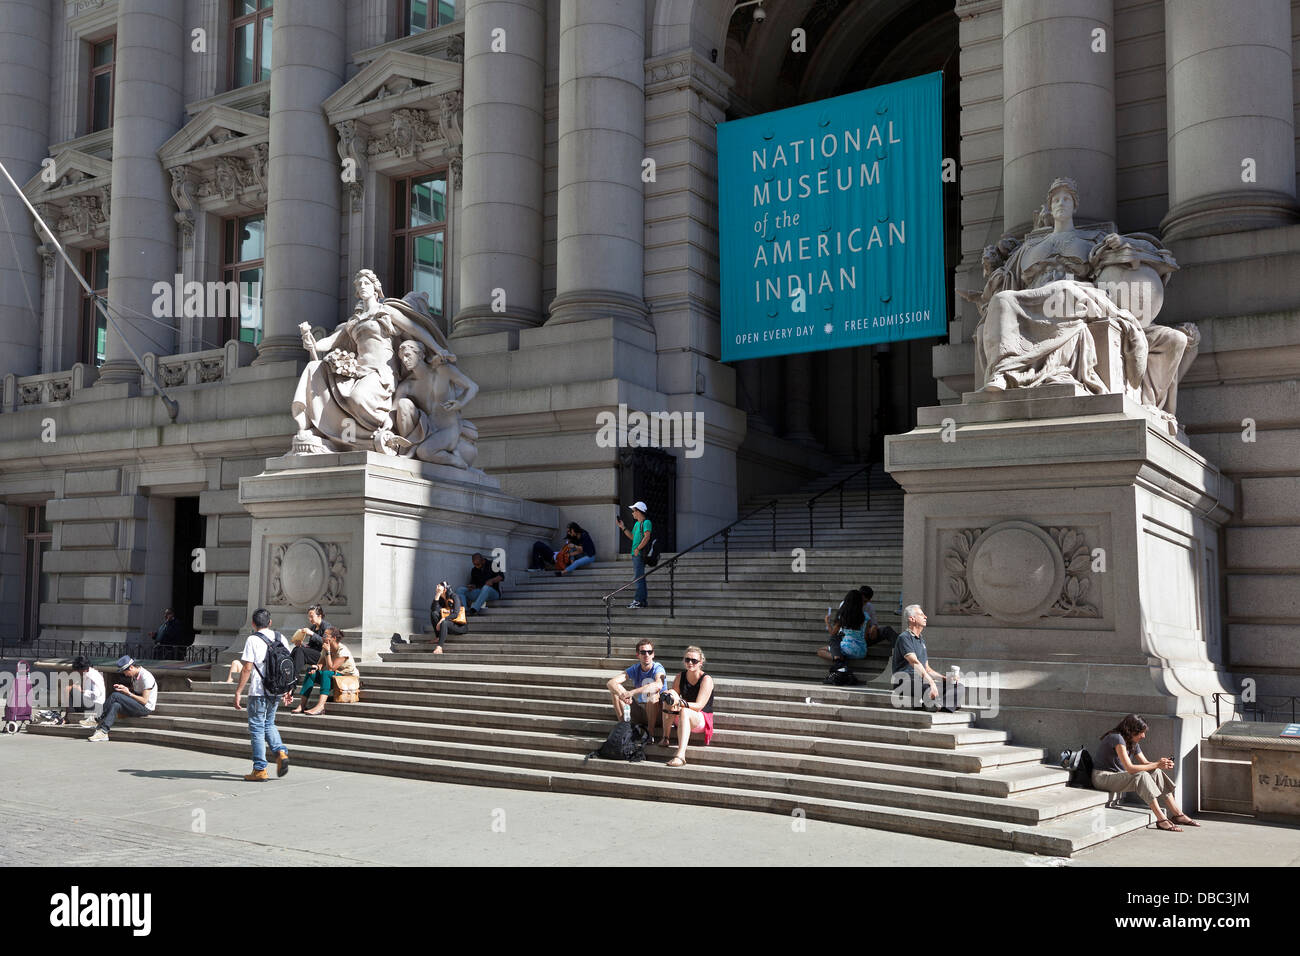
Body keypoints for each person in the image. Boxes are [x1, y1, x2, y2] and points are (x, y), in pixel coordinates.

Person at [1091, 714, 1199, 831]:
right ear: (1131, 730)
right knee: (1141, 776)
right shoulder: (1116, 738)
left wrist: (1161, 763)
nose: (1143, 736)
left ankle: (1178, 814)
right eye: (1141, 732)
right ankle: (1161, 819)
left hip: (1118, 777)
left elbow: (1145, 763)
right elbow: (1130, 768)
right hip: (1103, 777)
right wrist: (1157, 764)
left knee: (1155, 772)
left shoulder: (1132, 742)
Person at [234, 608, 291, 782]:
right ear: (270, 622)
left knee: (257, 728)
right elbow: (287, 667)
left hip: (258, 690)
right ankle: (280, 751)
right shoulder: (281, 638)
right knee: (269, 723)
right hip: (276, 689)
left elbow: (247, 668)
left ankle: (260, 769)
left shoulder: (252, 639)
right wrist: (288, 689)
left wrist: (238, 692)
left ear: (253, 623)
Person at [889, 605, 961, 711]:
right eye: (921, 614)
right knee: (926, 686)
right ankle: (935, 703)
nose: (926, 617)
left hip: (921, 680)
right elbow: (915, 662)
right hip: (905, 681)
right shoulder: (904, 638)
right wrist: (931, 682)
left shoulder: (921, 640)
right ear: (912, 619)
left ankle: (940, 705)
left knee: (958, 686)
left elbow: (927, 669)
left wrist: (945, 679)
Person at [659, 646, 715, 767]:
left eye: (694, 661)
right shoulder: (680, 676)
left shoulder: (706, 679)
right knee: (668, 701)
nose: (690, 663)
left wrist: (681, 703)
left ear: (701, 663)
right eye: (687, 659)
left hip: (700, 718)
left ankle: (680, 756)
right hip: (683, 716)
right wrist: (670, 694)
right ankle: (665, 737)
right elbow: (674, 694)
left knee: (684, 711)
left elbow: (699, 706)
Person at [85, 656, 157, 741]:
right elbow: (136, 694)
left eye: (125, 672)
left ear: (131, 667)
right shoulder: (135, 676)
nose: (125, 674)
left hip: (145, 708)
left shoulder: (146, 677)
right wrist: (125, 689)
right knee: (116, 705)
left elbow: (144, 701)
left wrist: (128, 693)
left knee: (115, 695)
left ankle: (97, 718)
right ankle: (104, 731)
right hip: (137, 705)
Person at [293, 627, 359, 716]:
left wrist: (328, 652)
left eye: (325, 635)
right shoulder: (325, 648)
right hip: (334, 677)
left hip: (347, 679)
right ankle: (302, 705)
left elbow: (331, 668)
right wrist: (316, 667)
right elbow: (320, 664)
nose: (323, 637)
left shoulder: (343, 651)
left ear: (334, 638)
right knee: (311, 672)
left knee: (326, 673)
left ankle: (320, 706)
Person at [605, 639, 665, 735]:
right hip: (641, 712)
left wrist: (632, 692)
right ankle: (622, 729)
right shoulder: (635, 668)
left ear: (653, 654)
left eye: (649, 652)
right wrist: (623, 696)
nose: (647, 655)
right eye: (643, 652)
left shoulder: (658, 668)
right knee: (615, 691)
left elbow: (658, 685)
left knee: (652, 693)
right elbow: (611, 683)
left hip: (658, 714)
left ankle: (650, 733)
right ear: (638, 655)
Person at [615, 501, 652, 608]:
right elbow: (632, 537)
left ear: (639, 511)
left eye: (634, 511)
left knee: (638, 578)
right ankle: (642, 601)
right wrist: (623, 527)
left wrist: (638, 549)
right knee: (640, 577)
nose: (632, 513)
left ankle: (638, 601)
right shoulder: (637, 524)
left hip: (639, 554)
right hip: (635, 554)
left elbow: (647, 537)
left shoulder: (646, 523)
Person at [818, 588, 868, 662]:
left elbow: (833, 633)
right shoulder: (866, 616)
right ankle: (839, 658)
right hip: (862, 651)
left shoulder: (843, 616)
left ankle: (838, 660)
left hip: (847, 648)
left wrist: (827, 622)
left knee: (821, 651)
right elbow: (865, 635)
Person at [61, 655, 105, 725]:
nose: (77, 672)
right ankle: (69, 716)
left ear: (84, 669)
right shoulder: (87, 674)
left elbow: (96, 695)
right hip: (89, 703)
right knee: (69, 689)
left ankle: (67, 717)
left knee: (68, 689)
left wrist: (81, 691)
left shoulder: (94, 676)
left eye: (78, 671)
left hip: (96, 706)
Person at [429, 580, 467, 653]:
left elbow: (456, 614)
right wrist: (438, 594)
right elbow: (433, 609)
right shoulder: (441, 598)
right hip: (447, 624)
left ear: (445, 589)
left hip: (459, 625)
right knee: (433, 613)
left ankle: (439, 647)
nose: (437, 586)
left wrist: (443, 619)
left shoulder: (454, 596)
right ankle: (438, 637)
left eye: (439, 586)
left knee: (444, 622)